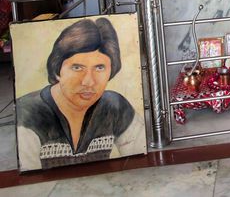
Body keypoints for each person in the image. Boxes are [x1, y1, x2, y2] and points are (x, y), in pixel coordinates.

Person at [16, 18, 145, 171]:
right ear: (58, 70)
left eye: (99, 68)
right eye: (77, 67)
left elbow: (139, 161)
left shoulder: (115, 106)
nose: (88, 82)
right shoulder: (28, 113)